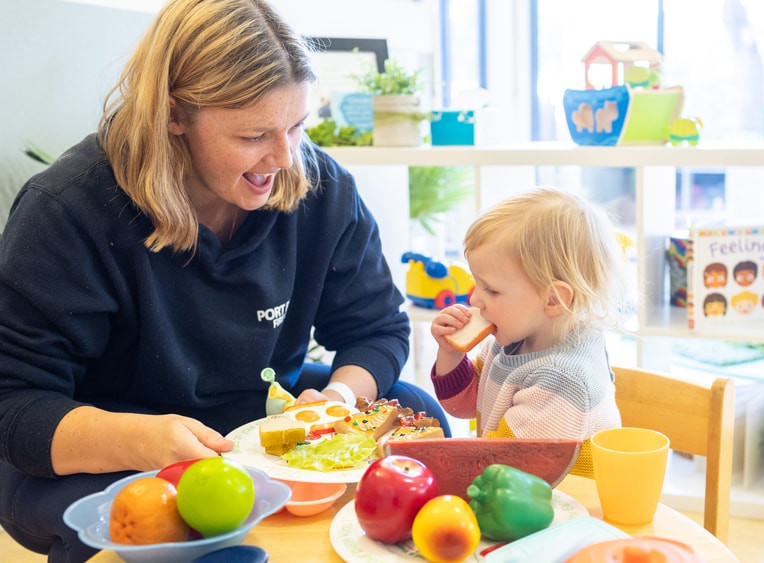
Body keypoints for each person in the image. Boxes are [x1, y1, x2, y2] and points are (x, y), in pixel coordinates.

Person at [0, 0, 447, 560]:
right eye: (254, 135)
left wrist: (336, 399)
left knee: (412, 409)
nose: (285, 157)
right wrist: (141, 441)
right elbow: (14, 405)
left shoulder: (320, 186)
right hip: (113, 444)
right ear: (173, 116)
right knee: (170, 517)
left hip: (260, 414)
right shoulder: (66, 210)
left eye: (297, 125)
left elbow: (376, 327)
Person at [429, 187, 629, 478]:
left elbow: (501, 467)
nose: (474, 300)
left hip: (566, 508)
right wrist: (451, 354)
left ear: (554, 300)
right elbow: (465, 405)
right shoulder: (511, 338)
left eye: (491, 290)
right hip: (518, 491)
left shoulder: (562, 380)